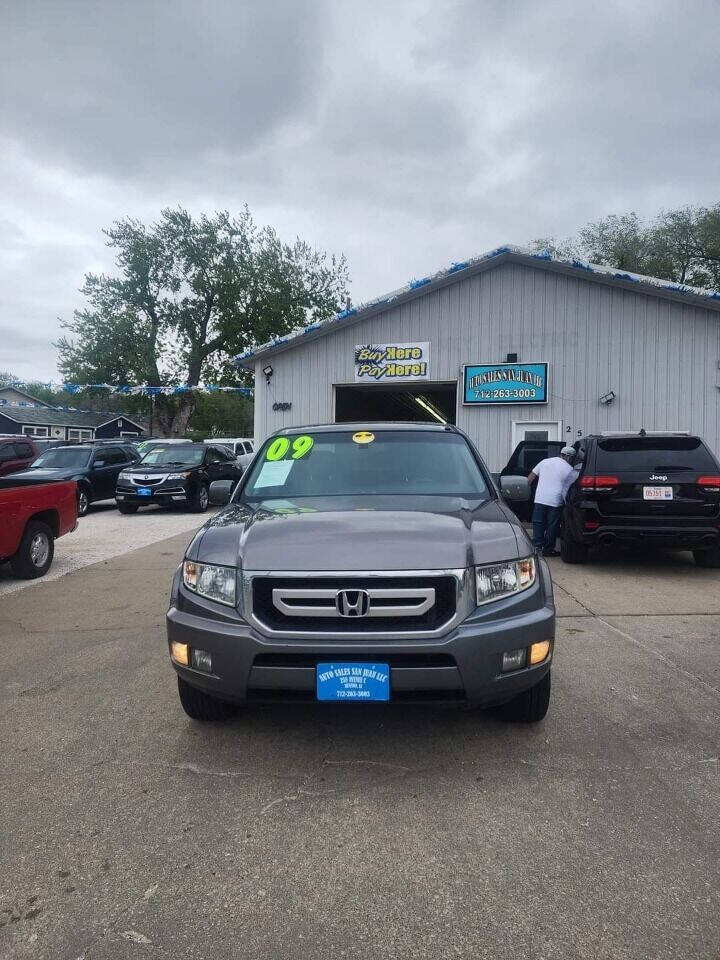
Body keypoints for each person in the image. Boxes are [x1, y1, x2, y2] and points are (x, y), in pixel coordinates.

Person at [527, 446, 576, 557]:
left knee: (538, 523)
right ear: (568, 457)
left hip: (540, 498)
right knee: (552, 526)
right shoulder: (569, 469)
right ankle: (548, 550)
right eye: (572, 458)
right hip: (555, 500)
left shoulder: (544, 462)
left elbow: (530, 478)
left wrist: (526, 494)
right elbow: (570, 487)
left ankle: (537, 547)